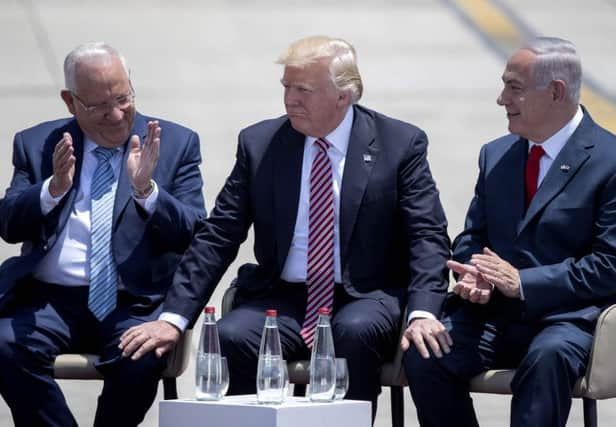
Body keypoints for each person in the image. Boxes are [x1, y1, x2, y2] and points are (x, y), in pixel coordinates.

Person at [121, 35, 451, 417]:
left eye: (303, 90)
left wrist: (424, 312)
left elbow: (427, 235)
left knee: (352, 333)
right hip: (284, 296)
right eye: (286, 87)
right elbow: (219, 235)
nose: (289, 99)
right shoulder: (261, 143)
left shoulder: (399, 144)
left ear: (344, 96)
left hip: (365, 295)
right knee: (233, 335)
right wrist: (173, 318)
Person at [404, 36, 616, 427]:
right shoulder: (497, 154)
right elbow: (472, 236)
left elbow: (614, 266)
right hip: (494, 315)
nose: (501, 99)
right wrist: (474, 273)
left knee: (547, 359)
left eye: (514, 87)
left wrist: (523, 282)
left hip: (570, 319)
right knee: (427, 352)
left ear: (555, 92)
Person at [0, 42, 206, 427]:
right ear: (70, 101)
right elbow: (9, 224)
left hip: (133, 300)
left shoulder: (175, 143)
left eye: (123, 98)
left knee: (142, 354)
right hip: (51, 300)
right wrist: (54, 188)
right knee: (5, 346)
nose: (115, 115)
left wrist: (147, 191)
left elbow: (194, 232)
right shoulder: (38, 144)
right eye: (97, 106)